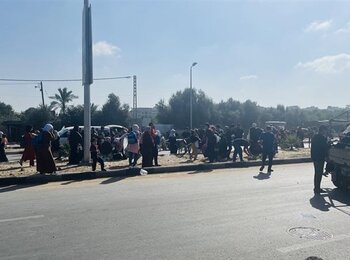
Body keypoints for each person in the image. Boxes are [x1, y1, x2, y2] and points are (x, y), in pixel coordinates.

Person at [311, 125, 329, 195]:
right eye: (325, 130)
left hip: (315, 157)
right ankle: (317, 188)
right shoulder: (322, 138)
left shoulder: (315, 137)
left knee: (317, 173)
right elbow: (324, 148)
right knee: (319, 173)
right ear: (323, 130)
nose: (326, 131)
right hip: (320, 158)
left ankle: (316, 187)